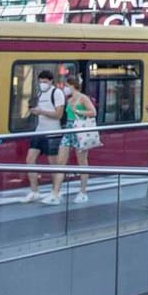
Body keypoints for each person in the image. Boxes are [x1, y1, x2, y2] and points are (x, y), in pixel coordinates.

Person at [22, 70, 67, 205]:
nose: (42, 84)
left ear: (51, 81)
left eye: (45, 82)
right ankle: (34, 191)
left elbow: (58, 114)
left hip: (53, 132)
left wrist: (41, 111)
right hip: (39, 131)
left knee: (53, 164)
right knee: (30, 160)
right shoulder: (39, 94)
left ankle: (56, 192)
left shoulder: (57, 93)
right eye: (41, 81)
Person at [53, 72, 98, 204]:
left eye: (67, 85)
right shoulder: (69, 99)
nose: (65, 88)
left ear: (72, 85)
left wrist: (78, 111)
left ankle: (83, 192)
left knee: (82, 162)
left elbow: (93, 112)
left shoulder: (83, 98)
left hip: (80, 130)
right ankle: (56, 193)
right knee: (60, 162)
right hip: (68, 130)